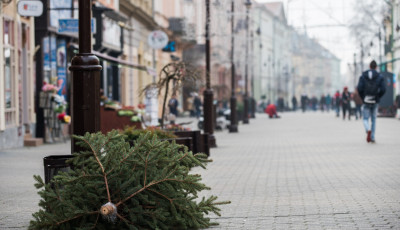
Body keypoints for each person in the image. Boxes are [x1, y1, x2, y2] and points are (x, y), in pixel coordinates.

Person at [357, 60, 386, 143]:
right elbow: (383, 89)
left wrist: (363, 97)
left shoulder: (363, 76)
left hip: (366, 100)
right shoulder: (379, 76)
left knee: (365, 118)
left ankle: (367, 129)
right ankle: (372, 137)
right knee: (373, 119)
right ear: (376, 67)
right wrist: (378, 96)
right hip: (375, 100)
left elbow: (359, 88)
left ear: (369, 66)